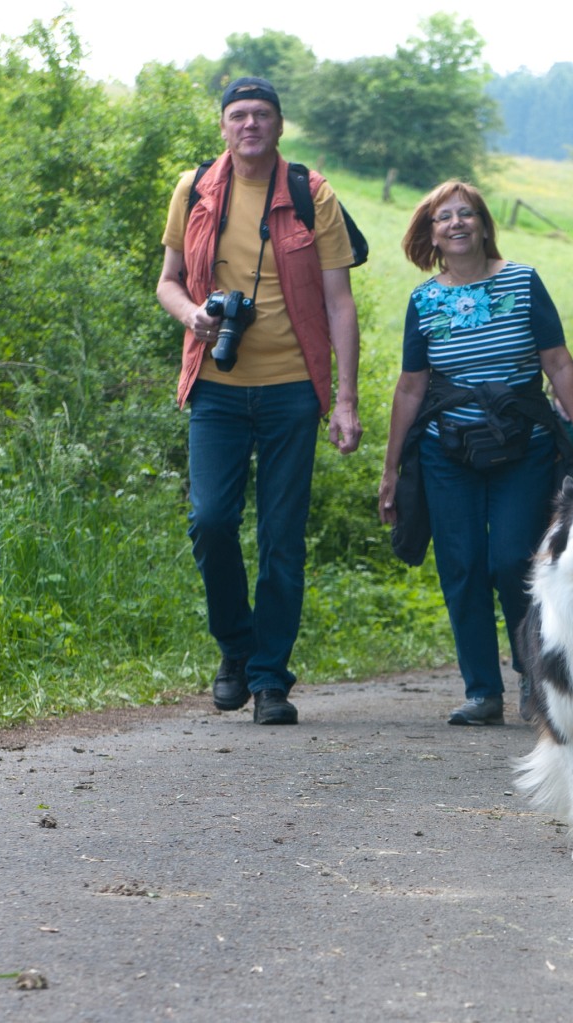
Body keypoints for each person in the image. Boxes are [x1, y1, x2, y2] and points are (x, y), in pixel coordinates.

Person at [155, 77, 362, 726]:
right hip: (216, 389)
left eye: (262, 115)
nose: (250, 124)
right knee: (210, 521)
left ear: (279, 125)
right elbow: (166, 283)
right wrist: (193, 315)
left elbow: (339, 301)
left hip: (292, 392)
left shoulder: (311, 194)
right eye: (238, 115)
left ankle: (271, 678)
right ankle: (236, 649)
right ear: (223, 126)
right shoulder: (193, 190)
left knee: (281, 538)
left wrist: (347, 399)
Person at [378, 181, 573, 727]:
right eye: (444, 218)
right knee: (460, 566)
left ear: (485, 225)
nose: (457, 223)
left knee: (513, 561)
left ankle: (535, 674)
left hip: (522, 448)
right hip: (447, 451)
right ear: (431, 233)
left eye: (467, 215)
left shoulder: (524, 282)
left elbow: (557, 363)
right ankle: (482, 690)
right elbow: (411, 387)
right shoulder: (424, 300)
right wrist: (391, 469)